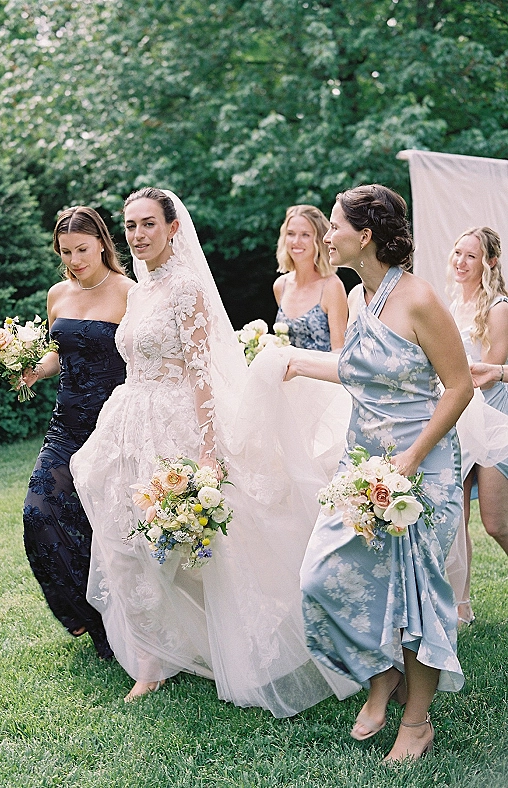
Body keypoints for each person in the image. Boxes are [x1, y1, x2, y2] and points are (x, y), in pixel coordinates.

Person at [70, 187, 359, 713]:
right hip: (129, 418)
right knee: (124, 533)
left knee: (198, 545)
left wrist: (207, 450)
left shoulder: (188, 290)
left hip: (177, 421)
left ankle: (231, 640)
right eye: (130, 225)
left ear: (172, 228)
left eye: (148, 224)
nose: (137, 234)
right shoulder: (138, 291)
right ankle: (153, 657)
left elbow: (203, 374)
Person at [287, 184, 473, 761]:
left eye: (335, 226)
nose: (326, 236)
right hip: (361, 462)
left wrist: (412, 458)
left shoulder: (417, 298)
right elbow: (360, 370)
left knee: (416, 595)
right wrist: (288, 364)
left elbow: (460, 385)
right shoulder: (364, 296)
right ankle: (380, 675)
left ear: (364, 236)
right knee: (320, 577)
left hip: (421, 466)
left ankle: (416, 721)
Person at [22, 206, 133, 659]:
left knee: (103, 526)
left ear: (103, 244)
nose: (75, 260)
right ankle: (85, 617)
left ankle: (121, 626)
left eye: (82, 250)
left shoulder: (130, 293)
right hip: (65, 426)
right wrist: (33, 370)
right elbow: (59, 355)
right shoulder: (57, 295)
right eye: (66, 252)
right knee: (38, 514)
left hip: (111, 425)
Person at [447, 227, 508, 627]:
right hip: (458, 416)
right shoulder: (451, 303)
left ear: (489, 261)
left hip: (491, 421)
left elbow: (488, 372)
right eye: (457, 253)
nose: (460, 262)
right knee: (456, 518)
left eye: (471, 256)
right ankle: (461, 604)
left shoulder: (498, 307)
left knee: (495, 521)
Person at [273, 204, 348, 350]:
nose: (296, 241)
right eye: (291, 234)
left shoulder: (331, 286)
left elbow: (340, 351)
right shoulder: (280, 286)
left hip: (320, 372)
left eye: (305, 235)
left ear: (319, 240)